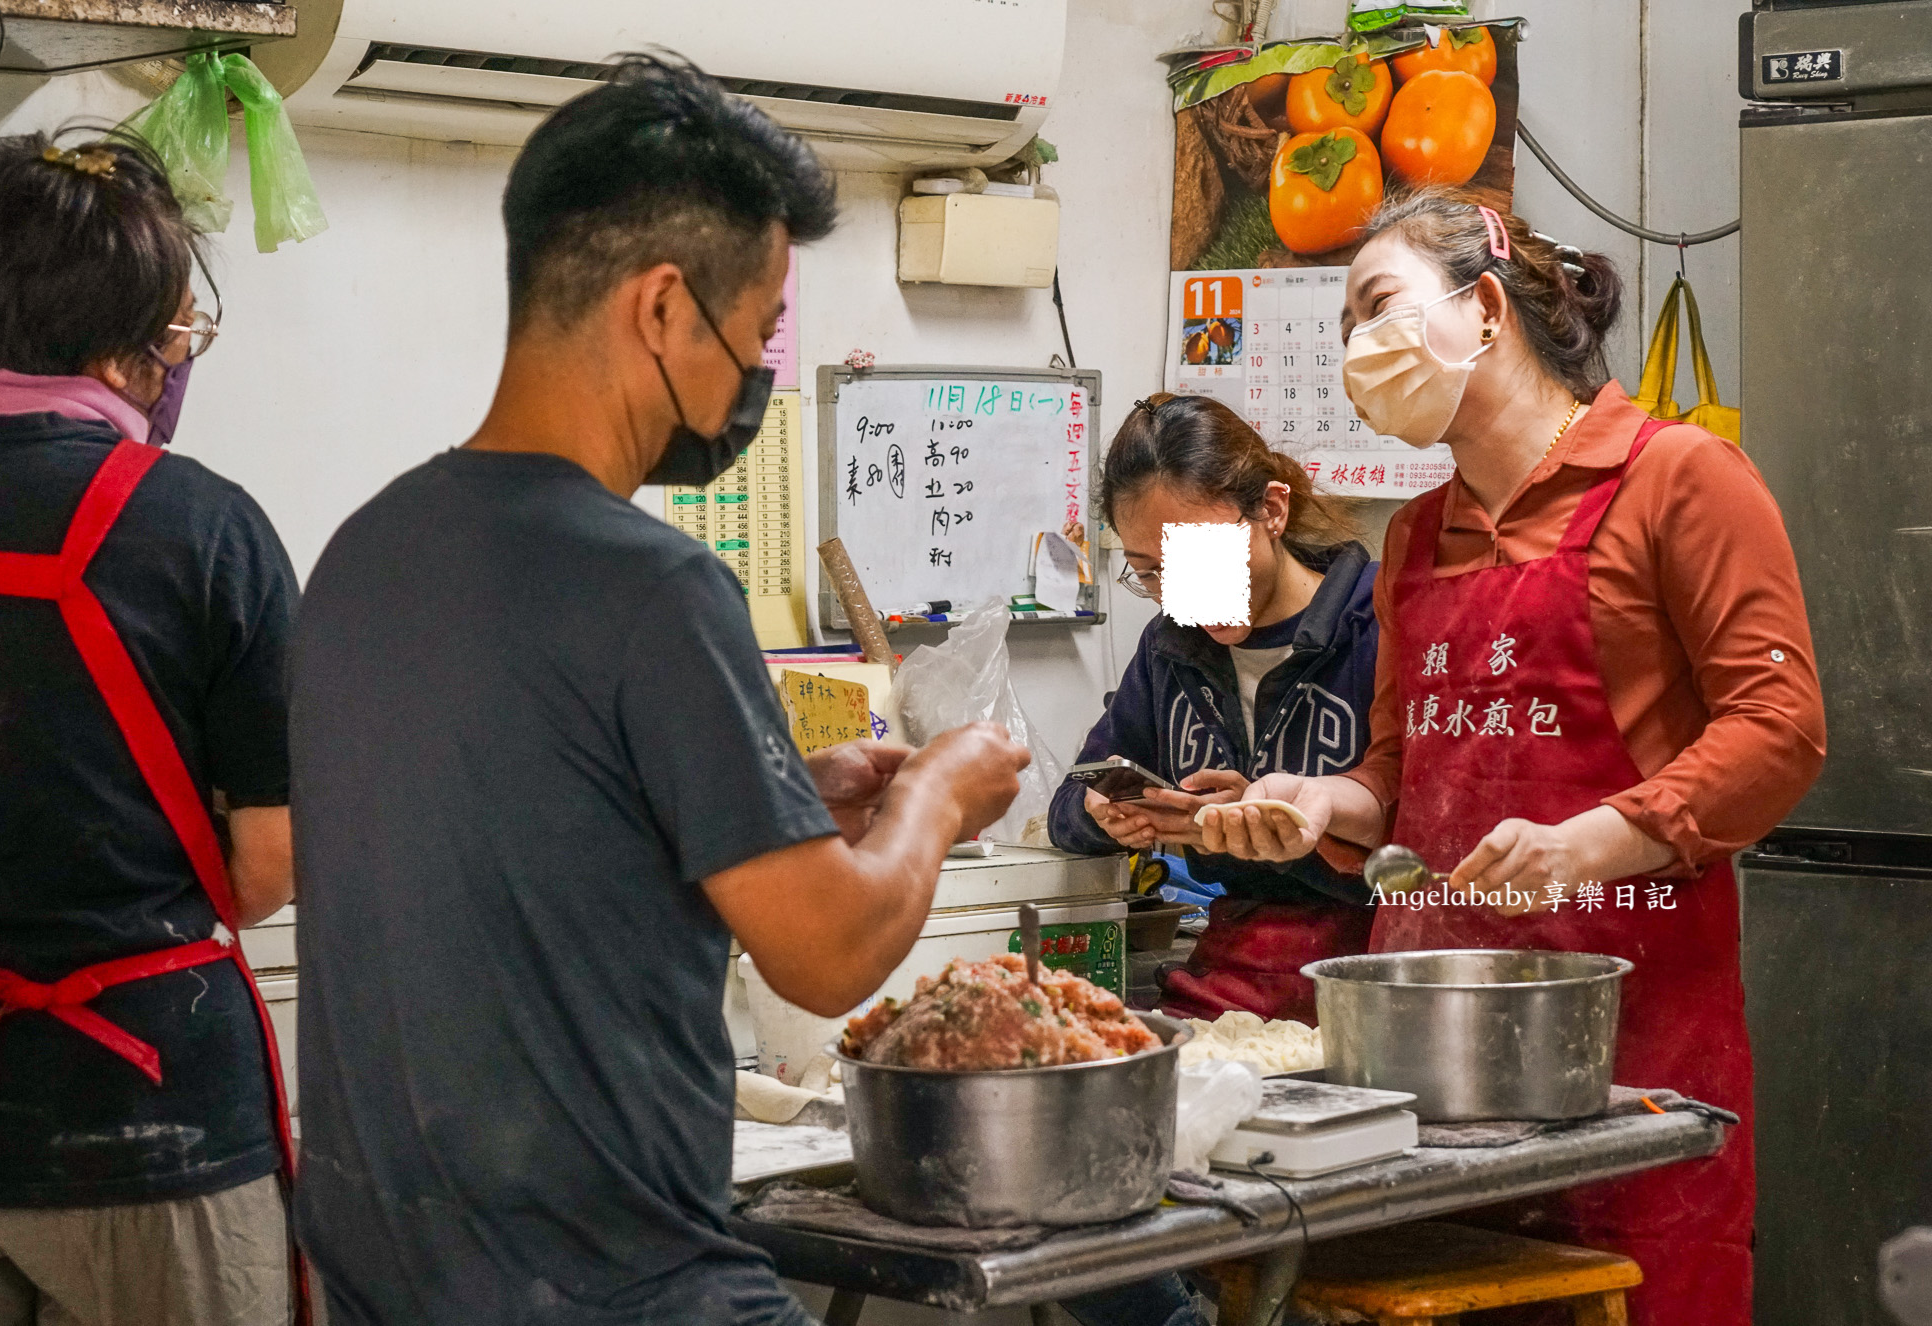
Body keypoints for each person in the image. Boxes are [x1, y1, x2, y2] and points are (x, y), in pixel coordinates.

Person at [286, 56, 1031, 1326]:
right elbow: (829, 953)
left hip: (385, 1283)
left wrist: (785, 803)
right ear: (663, 308)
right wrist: (945, 793)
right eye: (761, 327)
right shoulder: (654, 588)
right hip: (621, 1285)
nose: (759, 370)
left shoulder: (362, 554)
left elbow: (540, 845)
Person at [1200, 190, 1825, 1326]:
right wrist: (1316, 803)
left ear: (1483, 308)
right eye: (1342, 328)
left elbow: (1779, 724)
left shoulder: (1678, 479)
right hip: (1420, 1075)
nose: (1355, 351)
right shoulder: (1409, 535)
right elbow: (1400, 773)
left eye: (1375, 306)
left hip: (1627, 1064)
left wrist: (1600, 839)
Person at [0, 132, 299, 1323]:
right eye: (179, 333)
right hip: (149, 1125)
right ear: (131, 347)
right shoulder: (204, 531)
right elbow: (266, 866)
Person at [1048, 393, 1378, 1023]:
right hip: (1228, 978)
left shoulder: (1379, 620)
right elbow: (1070, 804)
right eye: (1149, 574)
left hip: (1373, 974)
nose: (1182, 596)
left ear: (1272, 510)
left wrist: (1285, 832)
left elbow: (1435, 853)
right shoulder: (1171, 647)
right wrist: (1105, 816)